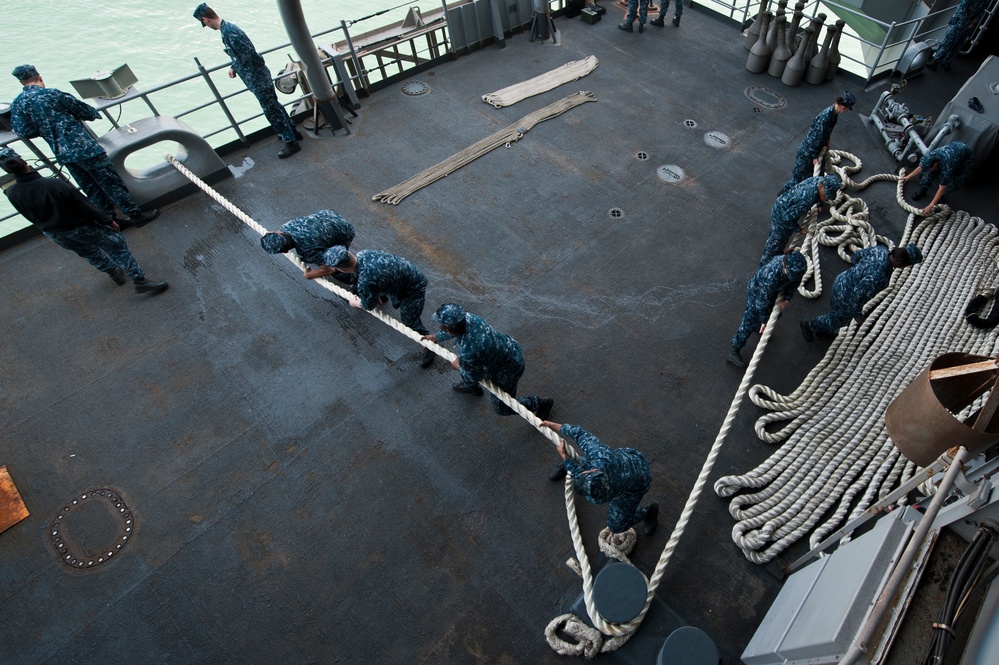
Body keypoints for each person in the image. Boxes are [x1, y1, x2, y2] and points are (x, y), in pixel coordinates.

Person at [9, 65, 160, 228]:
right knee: (112, 184)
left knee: (92, 189)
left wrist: (44, 129)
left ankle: (111, 222)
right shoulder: (53, 94)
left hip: (64, 155)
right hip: (85, 149)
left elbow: (23, 131)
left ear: (21, 82)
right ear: (39, 77)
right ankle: (135, 216)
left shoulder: (18, 104)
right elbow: (87, 112)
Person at [1, 147, 168, 295]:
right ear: (25, 162)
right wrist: (108, 221)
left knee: (89, 252)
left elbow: (28, 215)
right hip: (79, 226)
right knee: (116, 246)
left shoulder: (11, 192)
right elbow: (85, 206)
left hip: (55, 233)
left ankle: (113, 272)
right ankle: (140, 281)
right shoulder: (54, 184)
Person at [193, 4, 302, 159]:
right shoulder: (228, 29)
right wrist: (234, 66)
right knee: (274, 106)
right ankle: (292, 132)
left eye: (204, 23)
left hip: (257, 78)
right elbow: (240, 55)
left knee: (270, 111)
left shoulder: (229, 33)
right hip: (257, 76)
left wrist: (244, 69)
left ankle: (290, 142)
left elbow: (251, 56)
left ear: (205, 19)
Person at [422, 303, 554, 419]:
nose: (438, 325)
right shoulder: (468, 318)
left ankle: (540, 403)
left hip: (507, 371)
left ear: (448, 329)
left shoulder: (468, 352)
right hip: (510, 349)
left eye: (440, 325)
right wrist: (435, 337)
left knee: (502, 408)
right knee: (471, 368)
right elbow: (454, 331)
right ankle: (473, 388)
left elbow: (474, 376)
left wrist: (458, 367)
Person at [541, 420, 659, 537]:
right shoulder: (601, 455)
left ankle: (648, 512)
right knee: (585, 464)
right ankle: (571, 463)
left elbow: (582, 474)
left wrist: (567, 460)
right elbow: (579, 433)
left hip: (638, 485)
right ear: (595, 471)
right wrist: (552, 425)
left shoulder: (599, 498)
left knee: (617, 526)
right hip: (632, 459)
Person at [323, 246, 435, 368]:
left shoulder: (366, 281)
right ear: (350, 254)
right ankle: (380, 295)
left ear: (342, 269)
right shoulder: (364, 253)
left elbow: (368, 305)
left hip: (413, 289)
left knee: (410, 321)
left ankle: (430, 344)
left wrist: (354, 303)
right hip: (403, 275)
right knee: (375, 285)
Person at [801, 243, 922, 341]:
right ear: (901, 263)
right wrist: (858, 316)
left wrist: (858, 271)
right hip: (847, 296)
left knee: (836, 315)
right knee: (837, 320)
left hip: (843, 280)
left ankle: (823, 329)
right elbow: (857, 296)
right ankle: (810, 325)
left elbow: (857, 256)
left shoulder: (881, 250)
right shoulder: (879, 276)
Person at [727, 250, 808, 368]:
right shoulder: (771, 275)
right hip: (757, 294)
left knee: (774, 315)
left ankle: (758, 327)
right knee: (749, 322)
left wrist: (787, 299)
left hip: (772, 293)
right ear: (784, 266)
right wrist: (764, 320)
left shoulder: (796, 269)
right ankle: (734, 350)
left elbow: (795, 282)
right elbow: (761, 302)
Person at [761, 174, 843, 266]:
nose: (826, 198)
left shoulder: (819, 180)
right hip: (781, 215)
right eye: (826, 195)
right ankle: (764, 265)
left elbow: (818, 194)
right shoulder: (805, 200)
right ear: (821, 186)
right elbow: (787, 219)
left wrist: (820, 203)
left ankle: (778, 255)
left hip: (785, 205)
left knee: (781, 240)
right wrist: (800, 230)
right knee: (776, 242)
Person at [782, 92, 856, 192]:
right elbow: (814, 137)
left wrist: (827, 142)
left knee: (819, 176)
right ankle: (782, 196)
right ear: (843, 107)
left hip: (818, 149)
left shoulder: (834, 114)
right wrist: (814, 157)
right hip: (807, 153)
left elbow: (825, 132)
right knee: (798, 179)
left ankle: (819, 198)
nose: (846, 111)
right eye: (847, 108)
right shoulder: (825, 118)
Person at [260, 209, 355, 286]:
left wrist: (309, 275)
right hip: (329, 215)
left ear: (285, 251)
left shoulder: (307, 252)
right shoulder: (287, 226)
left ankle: (355, 282)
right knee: (324, 246)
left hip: (344, 231)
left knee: (338, 260)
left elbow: (329, 269)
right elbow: (278, 232)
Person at [901, 141, 974, 216]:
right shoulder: (930, 157)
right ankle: (923, 190)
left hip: (965, 157)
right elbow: (920, 167)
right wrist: (907, 177)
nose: (930, 170)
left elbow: (942, 187)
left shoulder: (947, 167)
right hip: (953, 148)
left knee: (955, 182)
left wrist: (931, 205)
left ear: (936, 164)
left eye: (931, 168)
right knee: (928, 173)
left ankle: (942, 197)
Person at [927, 0, 986, 71]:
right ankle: (947, 62)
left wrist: (963, 21)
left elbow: (962, 9)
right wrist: (972, 22)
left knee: (947, 41)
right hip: (969, 25)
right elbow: (981, 12)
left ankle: (936, 61)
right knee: (958, 43)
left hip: (959, 22)